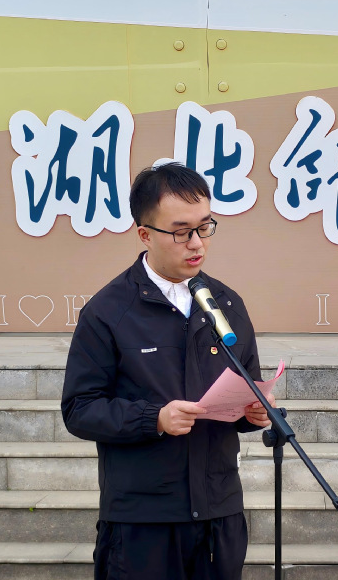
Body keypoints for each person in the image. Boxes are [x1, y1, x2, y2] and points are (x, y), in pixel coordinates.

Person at [61, 162, 275, 580]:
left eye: (204, 227)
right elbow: (79, 409)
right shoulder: (108, 311)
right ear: (145, 234)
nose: (197, 243)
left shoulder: (226, 304)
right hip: (144, 518)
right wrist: (154, 418)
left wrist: (254, 412)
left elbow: (245, 385)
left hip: (218, 511)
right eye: (181, 232)